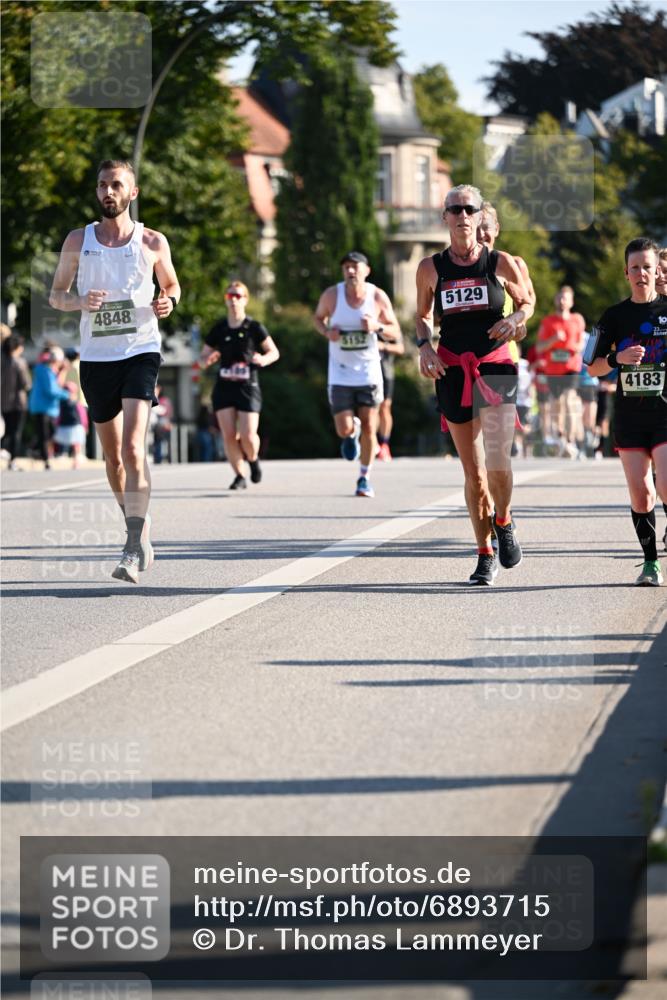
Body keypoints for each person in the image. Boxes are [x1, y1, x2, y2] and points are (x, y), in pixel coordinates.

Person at [49, 158, 181, 584]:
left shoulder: (153, 241)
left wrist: (168, 302)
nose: (109, 192)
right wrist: (79, 302)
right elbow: (56, 296)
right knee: (112, 459)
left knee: (132, 449)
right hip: (97, 358)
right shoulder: (77, 239)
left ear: (132, 193)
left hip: (141, 351)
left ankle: (131, 544)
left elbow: (173, 285)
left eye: (117, 185)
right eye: (103, 185)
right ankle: (136, 527)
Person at [416, 184, 534, 585]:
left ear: (479, 215)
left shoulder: (499, 262)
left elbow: (526, 303)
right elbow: (421, 317)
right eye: (456, 209)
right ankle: (484, 553)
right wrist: (424, 348)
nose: (463, 216)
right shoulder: (430, 268)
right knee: (474, 474)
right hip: (451, 369)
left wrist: (516, 321)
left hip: (495, 365)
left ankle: (504, 520)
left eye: (470, 209)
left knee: (499, 463)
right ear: (444, 217)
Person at [587, 237, 667, 586]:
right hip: (630, 417)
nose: (641, 273)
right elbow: (591, 366)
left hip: (664, 414)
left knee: (665, 482)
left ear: (656, 270)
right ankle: (651, 563)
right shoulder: (614, 317)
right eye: (634, 268)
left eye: (647, 267)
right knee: (641, 493)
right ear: (626, 273)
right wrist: (616, 359)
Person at [314, 251, 401, 497]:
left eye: (355, 267)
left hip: (368, 372)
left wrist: (377, 327)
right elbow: (318, 318)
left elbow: (395, 331)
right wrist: (326, 331)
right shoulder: (332, 295)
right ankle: (351, 433)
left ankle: (364, 477)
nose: (351, 271)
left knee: (371, 426)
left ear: (366, 270)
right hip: (340, 373)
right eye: (346, 268)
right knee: (342, 429)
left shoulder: (377, 296)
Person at [199, 280, 279, 489]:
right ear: (226, 300)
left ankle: (252, 460)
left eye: (238, 296)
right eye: (230, 296)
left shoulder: (254, 327)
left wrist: (264, 359)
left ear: (245, 300)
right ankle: (239, 475)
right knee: (228, 435)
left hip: (248, 387)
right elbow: (203, 356)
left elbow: (274, 352)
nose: (233, 300)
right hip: (224, 387)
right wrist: (208, 359)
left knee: (248, 436)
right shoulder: (219, 328)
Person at [537, 286, 586, 457]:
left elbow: (581, 344)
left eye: (565, 298)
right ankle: (561, 438)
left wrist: (572, 348)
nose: (562, 301)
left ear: (571, 302)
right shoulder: (548, 321)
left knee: (568, 400)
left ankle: (571, 441)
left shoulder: (577, 320)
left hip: (571, 367)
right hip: (553, 370)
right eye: (559, 298)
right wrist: (554, 339)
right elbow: (539, 347)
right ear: (555, 300)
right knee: (557, 405)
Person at [28, 347, 70, 468]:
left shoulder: (50, 370)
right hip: (42, 407)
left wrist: (63, 372)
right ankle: (46, 460)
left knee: (49, 432)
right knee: (45, 434)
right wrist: (66, 394)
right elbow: (51, 390)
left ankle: (34, 449)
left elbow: (56, 386)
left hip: (48, 407)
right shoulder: (45, 370)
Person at [1, 334, 32, 469]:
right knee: (15, 432)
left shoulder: (2, 361)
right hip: (18, 402)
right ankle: (12, 460)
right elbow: (26, 384)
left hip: (4, 400)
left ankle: (4, 450)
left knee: (7, 430)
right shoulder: (20, 362)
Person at [376, 328, 404, 461]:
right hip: (364, 371)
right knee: (369, 408)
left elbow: (400, 348)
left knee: (384, 407)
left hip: (385, 371)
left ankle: (384, 444)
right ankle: (371, 442)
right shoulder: (361, 317)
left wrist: (382, 346)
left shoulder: (388, 321)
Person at [54, 377, 86, 468]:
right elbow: (58, 414)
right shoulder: (61, 402)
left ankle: (76, 462)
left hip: (75, 425)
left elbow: (82, 415)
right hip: (64, 425)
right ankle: (62, 458)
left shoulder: (77, 403)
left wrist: (84, 425)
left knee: (76, 445)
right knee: (63, 444)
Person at [151, 383, 173, 464]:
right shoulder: (159, 399)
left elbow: (166, 412)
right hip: (157, 426)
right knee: (158, 443)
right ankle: (158, 458)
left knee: (161, 443)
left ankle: (161, 458)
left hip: (161, 426)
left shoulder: (163, 400)